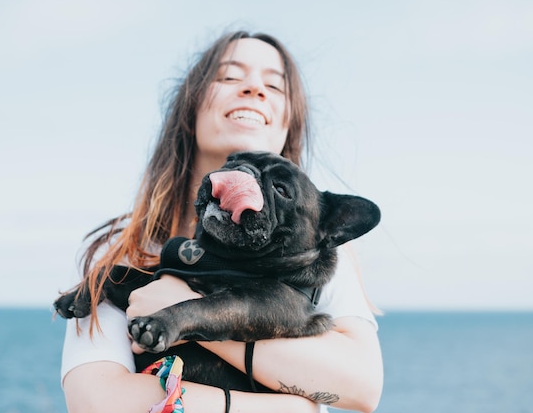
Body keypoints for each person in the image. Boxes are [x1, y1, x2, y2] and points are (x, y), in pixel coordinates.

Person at [60, 30, 383, 413]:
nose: (253, 89)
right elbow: (99, 404)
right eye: (230, 77)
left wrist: (184, 309)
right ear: (191, 107)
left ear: (286, 125)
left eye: (275, 86)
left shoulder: (318, 256)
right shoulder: (125, 247)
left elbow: (361, 388)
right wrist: (291, 408)